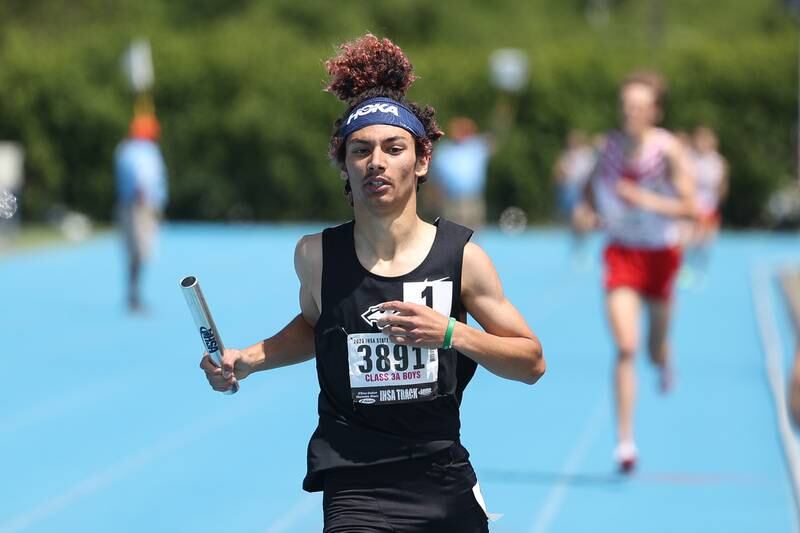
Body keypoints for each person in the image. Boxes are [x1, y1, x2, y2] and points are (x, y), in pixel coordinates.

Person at [199, 33, 545, 532]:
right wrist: (248, 359)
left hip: (442, 478)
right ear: (344, 163)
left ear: (422, 160)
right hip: (355, 485)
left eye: (393, 147)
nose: (376, 161)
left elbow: (531, 363)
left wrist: (449, 333)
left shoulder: (462, 258)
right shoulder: (316, 255)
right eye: (360, 150)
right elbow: (318, 325)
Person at [572, 70, 696, 474]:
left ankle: (664, 356)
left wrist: (642, 198)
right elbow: (589, 191)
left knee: (653, 350)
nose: (632, 113)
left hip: (661, 254)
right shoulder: (607, 147)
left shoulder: (668, 150)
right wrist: (589, 213)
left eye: (641, 107)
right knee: (626, 346)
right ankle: (625, 442)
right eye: (627, 105)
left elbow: (690, 207)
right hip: (622, 253)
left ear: (655, 111)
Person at [114, 113, 168, 312]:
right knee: (140, 251)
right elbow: (144, 177)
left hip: (136, 205)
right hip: (140, 206)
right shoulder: (142, 150)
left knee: (138, 252)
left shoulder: (126, 149)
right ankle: (134, 295)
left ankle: (134, 294)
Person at [680, 126, 728, 287]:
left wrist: (717, 200)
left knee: (705, 243)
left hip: (709, 207)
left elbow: (722, 186)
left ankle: (700, 269)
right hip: (693, 207)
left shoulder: (718, 162)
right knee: (687, 240)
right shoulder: (689, 159)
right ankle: (684, 268)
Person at [429, 117, 495, 230]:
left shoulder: (477, 147)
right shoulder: (445, 149)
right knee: (451, 231)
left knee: (473, 231)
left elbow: (496, 133)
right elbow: (436, 175)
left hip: (472, 198)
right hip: (451, 198)